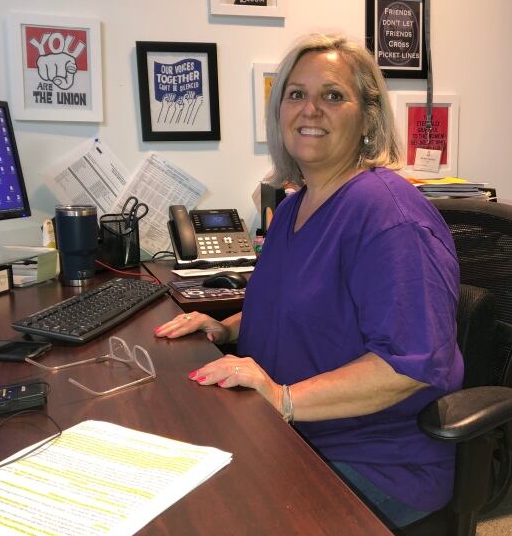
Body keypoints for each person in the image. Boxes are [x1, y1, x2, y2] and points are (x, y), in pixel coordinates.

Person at [155, 33, 463, 529]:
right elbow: (297, 302)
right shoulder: (296, 204)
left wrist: (283, 398)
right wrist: (225, 328)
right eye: (295, 94)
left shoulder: (390, 217)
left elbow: (406, 365)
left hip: (373, 463)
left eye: (333, 95)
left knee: (205, 518)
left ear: (368, 118)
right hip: (290, 435)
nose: (310, 109)